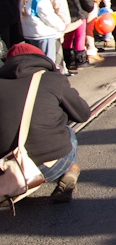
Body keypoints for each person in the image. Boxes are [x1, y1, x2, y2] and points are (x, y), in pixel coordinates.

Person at [0, 43, 89, 202]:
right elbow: (82, 114)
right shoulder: (53, 79)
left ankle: (11, 188)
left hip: (5, 167)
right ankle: (68, 171)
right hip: (48, 166)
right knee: (68, 132)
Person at [18, 0, 67, 65]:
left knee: (37, 60)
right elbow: (49, 17)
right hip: (44, 34)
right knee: (48, 60)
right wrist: (61, 26)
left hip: (30, 33)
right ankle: (48, 77)